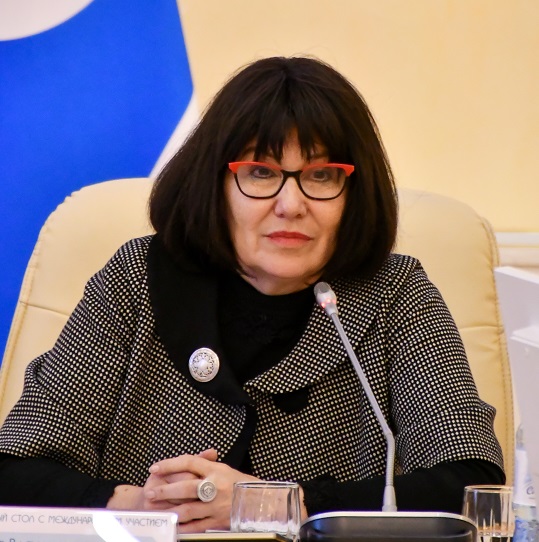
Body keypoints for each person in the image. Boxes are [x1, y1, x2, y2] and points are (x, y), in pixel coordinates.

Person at [0, 56, 504, 532]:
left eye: (322, 175)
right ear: (215, 182)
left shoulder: (395, 292)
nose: (291, 204)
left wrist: (271, 504)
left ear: (355, 193)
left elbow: (470, 485)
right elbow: (15, 469)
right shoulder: (136, 278)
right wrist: (137, 506)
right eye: (261, 173)